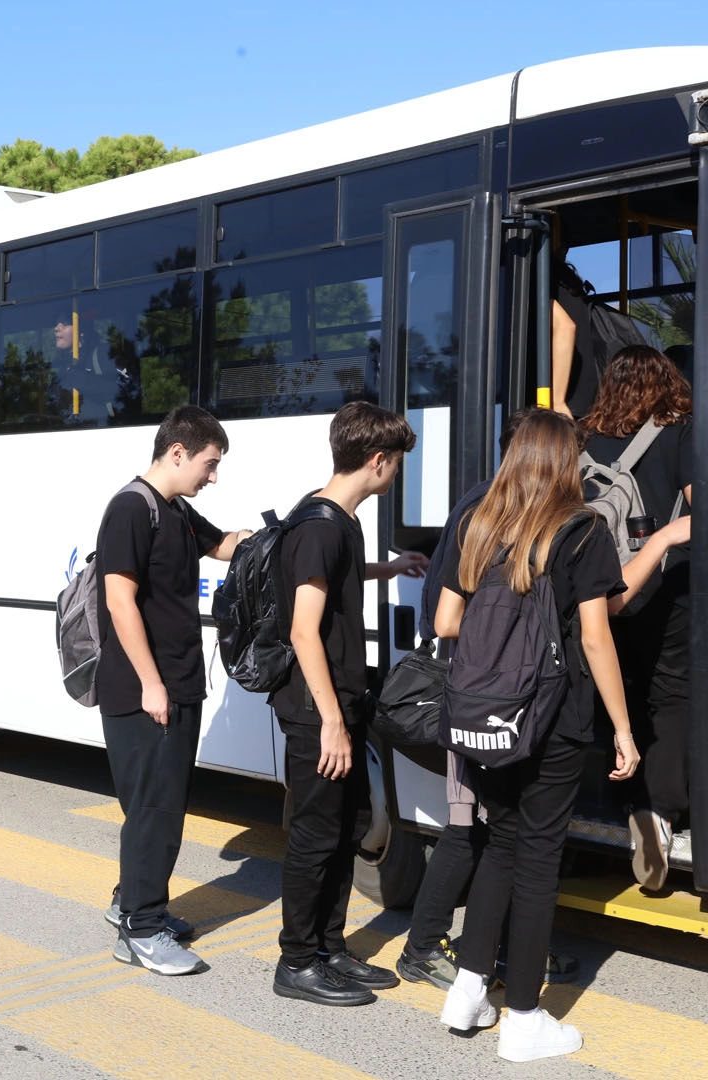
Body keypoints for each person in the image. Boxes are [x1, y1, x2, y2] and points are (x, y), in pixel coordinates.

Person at [434, 409, 641, 1063]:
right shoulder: (583, 531)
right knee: (538, 863)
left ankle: (468, 991)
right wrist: (624, 730)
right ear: (564, 464)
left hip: (485, 719)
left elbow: (445, 621)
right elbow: (597, 637)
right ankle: (523, 1018)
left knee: (500, 846)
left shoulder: (478, 526)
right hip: (554, 721)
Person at [271, 401, 428, 1007]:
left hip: (342, 700)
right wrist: (334, 722)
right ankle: (296, 960)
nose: (395, 479)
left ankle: (330, 947)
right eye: (396, 467)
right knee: (315, 835)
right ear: (378, 461)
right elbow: (304, 631)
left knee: (347, 828)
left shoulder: (338, 519)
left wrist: (385, 570)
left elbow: (333, 577)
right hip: (318, 712)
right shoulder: (319, 525)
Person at [98, 405, 250, 976]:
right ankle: (141, 927)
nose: (213, 477)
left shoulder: (176, 512)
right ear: (178, 452)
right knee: (154, 810)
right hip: (145, 691)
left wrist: (278, 536)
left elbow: (224, 546)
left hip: (175, 683)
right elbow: (119, 601)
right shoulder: (130, 510)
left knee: (158, 807)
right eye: (209, 465)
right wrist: (152, 684)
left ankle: (129, 903)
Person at [580, 345, 694, 891]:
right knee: (671, 696)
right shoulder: (677, 430)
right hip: (666, 586)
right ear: (667, 382)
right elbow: (700, 505)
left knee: (617, 689)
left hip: (600, 589)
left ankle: (623, 798)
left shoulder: (586, 435)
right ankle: (662, 812)